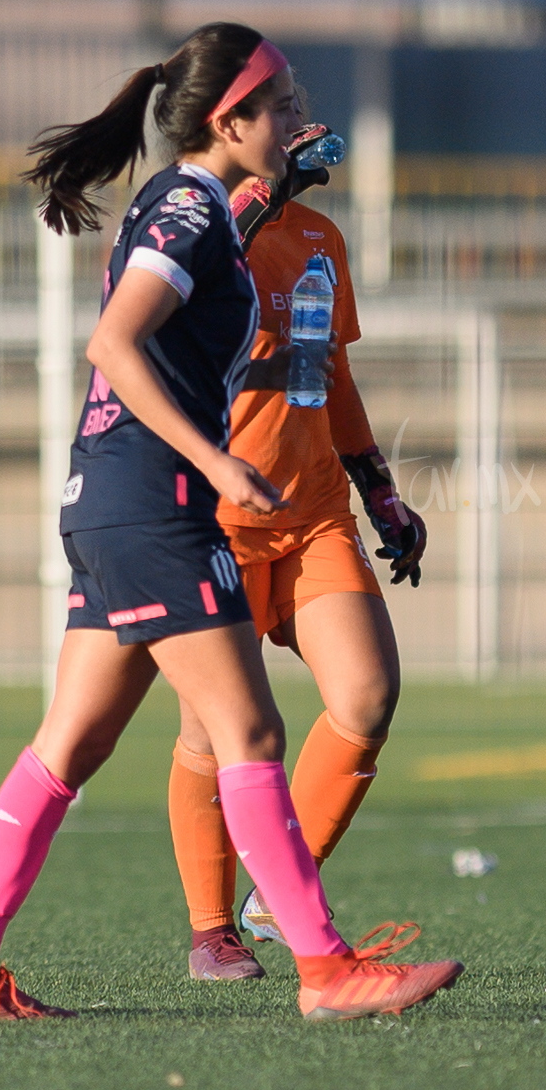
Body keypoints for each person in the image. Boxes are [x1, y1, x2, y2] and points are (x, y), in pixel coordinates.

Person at [0, 23, 460, 1022]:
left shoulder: (211, 209)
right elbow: (114, 342)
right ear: (230, 119)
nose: (298, 123)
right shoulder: (188, 205)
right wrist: (213, 460)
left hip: (109, 501)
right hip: (155, 503)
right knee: (247, 730)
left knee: (67, 747)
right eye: (283, 106)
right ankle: (325, 970)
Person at [174, 117, 428, 982]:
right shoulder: (198, 221)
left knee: (366, 695)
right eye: (282, 115)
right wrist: (252, 201)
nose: (305, 131)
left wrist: (381, 492)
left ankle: (275, 895)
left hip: (314, 510)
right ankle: (213, 930)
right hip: (216, 514)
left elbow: (334, 376)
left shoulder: (322, 237)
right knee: (212, 727)